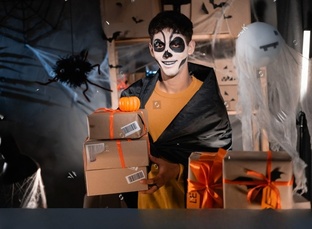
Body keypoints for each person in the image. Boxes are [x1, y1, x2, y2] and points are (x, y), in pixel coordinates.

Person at [120, 10, 232, 209]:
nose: (167, 53)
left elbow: (223, 162)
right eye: (160, 45)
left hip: (193, 212)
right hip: (146, 213)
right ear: (151, 50)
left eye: (175, 44)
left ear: (190, 47)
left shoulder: (208, 102)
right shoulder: (134, 99)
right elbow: (120, 153)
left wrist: (179, 170)